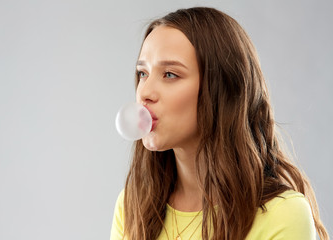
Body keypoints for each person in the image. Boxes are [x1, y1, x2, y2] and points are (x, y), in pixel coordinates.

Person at [110, 7, 329, 240]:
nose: (144, 93)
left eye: (170, 74)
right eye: (142, 73)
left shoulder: (282, 215)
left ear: (221, 91)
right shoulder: (132, 207)